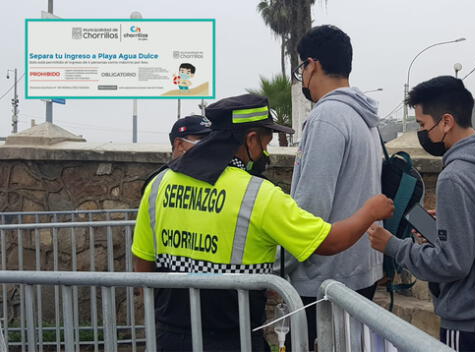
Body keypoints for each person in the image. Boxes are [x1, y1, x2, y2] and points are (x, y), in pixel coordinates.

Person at [131, 94, 394, 352]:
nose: (266, 151)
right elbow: (329, 241)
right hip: (235, 339)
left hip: (168, 337)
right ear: (251, 139)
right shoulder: (258, 195)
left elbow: (143, 266)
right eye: (266, 141)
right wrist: (370, 212)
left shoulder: (158, 185)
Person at [367, 76, 475, 352]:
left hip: (472, 319)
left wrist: (393, 246)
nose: (421, 132)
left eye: (422, 124)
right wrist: (447, 225)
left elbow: (452, 264)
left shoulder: (456, 175)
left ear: (447, 122)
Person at [280, 25, 384, 349]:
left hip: (323, 282)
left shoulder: (327, 117)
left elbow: (310, 210)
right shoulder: (365, 119)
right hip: (361, 272)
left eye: (301, 69)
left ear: (312, 65)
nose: (303, 78)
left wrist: (279, 269)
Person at [140, 115, 212, 196]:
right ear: (179, 144)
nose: (209, 145)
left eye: (211, 140)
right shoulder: (156, 183)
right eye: (202, 140)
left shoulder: (219, 178)